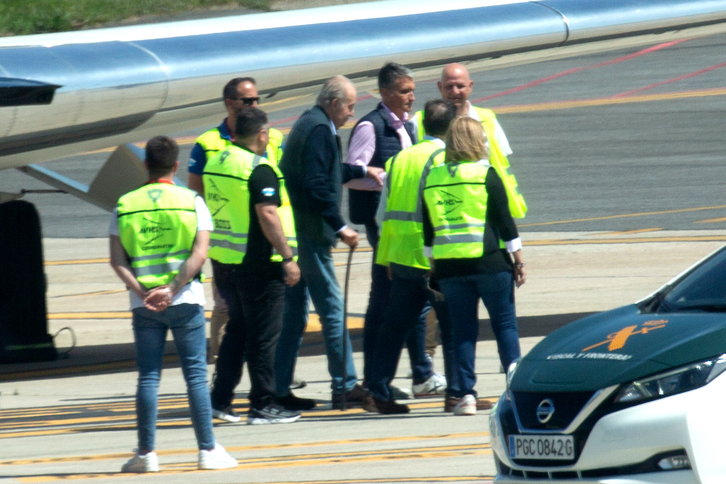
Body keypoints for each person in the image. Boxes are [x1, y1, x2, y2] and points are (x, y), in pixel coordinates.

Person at [110, 136, 237, 472]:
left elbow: (117, 260)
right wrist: (172, 288)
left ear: (145, 165)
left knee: (148, 377)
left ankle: (146, 454)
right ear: (176, 166)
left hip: (144, 305)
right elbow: (200, 253)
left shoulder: (124, 204)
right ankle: (207, 450)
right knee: (195, 376)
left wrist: (143, 292)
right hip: (185, 299)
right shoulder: (191, 200)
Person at [275, 75, 384, 410]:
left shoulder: (310, 123)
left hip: (298, 234)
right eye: (350, 106)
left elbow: (328, 169)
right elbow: (317, 183)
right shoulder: (321, 129)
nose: (352, 113)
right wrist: (341, 227)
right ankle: (345, 385)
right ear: (334, 103)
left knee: (294, 316)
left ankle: (278, 388)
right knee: (333, 310)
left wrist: (362, 170)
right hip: (311, 234)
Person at [345, 62, 444, 399]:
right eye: (404, 91)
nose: (411, 97)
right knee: (383, 305)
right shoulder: (370, 127)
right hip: (381, 227)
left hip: (407, 231)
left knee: (413, 302)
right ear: (385, 93)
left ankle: (420, 373)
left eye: (412, 90)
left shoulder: (408, 127)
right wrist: (374, 174)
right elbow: (349, 173)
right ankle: (377, 379)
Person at [203, 108, 302, 425]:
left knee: (237, 331)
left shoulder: (217, 161)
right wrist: (287, 257)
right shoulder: (259, 169)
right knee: (264, 337)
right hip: (258, 264)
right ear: (261, 134)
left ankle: (219, 399)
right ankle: (262, 404)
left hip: (224, 262)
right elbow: (268, 214)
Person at [422, 117, 527, 416]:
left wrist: (432, 265)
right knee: (504, 325)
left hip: (450, 266)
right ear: (475, 141)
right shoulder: (485, 173)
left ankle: (466, 395)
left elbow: (429, 227)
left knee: (463, 331)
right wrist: (518, 260)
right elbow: (505, 222)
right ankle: (515, 388)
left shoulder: (434, 176)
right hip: (490, 262)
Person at [364, 100, 463, 414]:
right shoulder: (443, 158)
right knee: (451, 325)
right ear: (451, 128)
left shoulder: (398, 160)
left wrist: (389, 256)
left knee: (394, 328)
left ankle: (378, 390)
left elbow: (382, 215)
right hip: (434, 259)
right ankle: (457, 393)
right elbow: (443, 209)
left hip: (401, 258)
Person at [187, 77, 284, 362]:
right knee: (225, 306)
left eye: (257, 99)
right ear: (230, 103)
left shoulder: (273, 137)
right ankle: (222, 362)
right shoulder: (208, 143)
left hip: (261, 239)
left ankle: (268, 368)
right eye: (248, 100)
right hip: (227, 240)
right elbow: (196, 192)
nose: (254, 104)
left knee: (264, 311)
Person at [412, 63, 527, 220]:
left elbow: (501, 162)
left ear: (470, 86)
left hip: (483, 201)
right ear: (440, 87)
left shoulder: (487, 119)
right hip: (445, 204)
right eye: (449, 86)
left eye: (460, 86)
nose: (455, 92)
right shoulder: (420, 120)